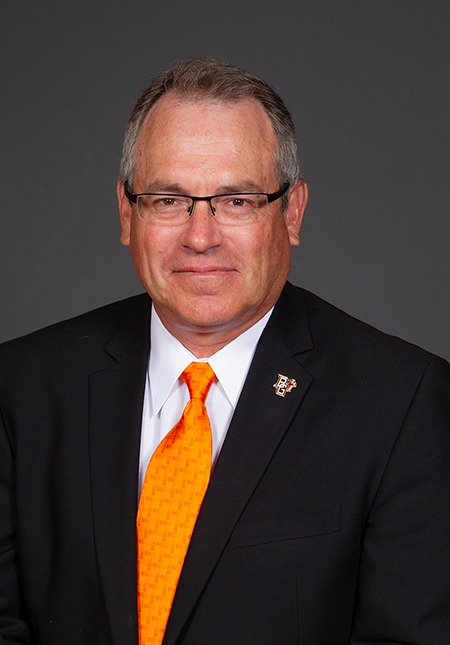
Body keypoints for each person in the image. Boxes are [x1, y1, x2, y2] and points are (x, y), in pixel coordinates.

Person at [0, 58, 449, 645]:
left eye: (237, 200)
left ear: (292, 211)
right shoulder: (21, 387)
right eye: (168, 199)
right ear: (127, 213)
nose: (200, 236)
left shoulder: (402, 403)